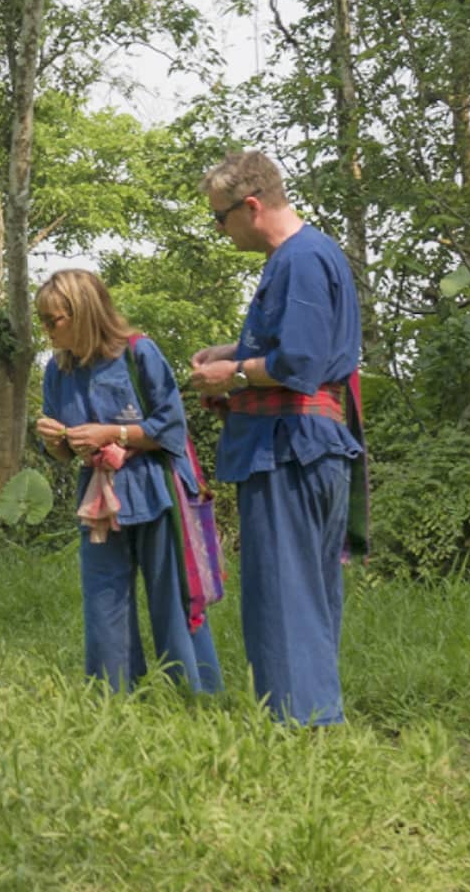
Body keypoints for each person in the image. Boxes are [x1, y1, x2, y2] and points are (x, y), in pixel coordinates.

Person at [191, 149, 364, 726]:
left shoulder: (301, 259)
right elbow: (290, 351)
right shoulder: (306, 256)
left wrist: (231, 375)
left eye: (221, 218)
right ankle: (310, 716)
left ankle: (304, 726)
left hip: (291, 446)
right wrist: (232, 355)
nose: (220, 230)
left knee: (285, 592)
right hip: (307, 443)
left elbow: (302, 361)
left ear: (252, 206)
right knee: (304, 591)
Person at [35, 269, 223, 696]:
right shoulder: (56, 371)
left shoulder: (138, 354)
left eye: (53, 319)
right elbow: (63, 454)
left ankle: (194, 696)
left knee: (172, 598)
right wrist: (55, 442)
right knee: (103, 601)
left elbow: (171, 429)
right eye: (42, 320)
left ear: (83, 313)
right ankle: (114, 698)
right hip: (98, 499)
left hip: (157, 491)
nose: (45, 329)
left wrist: (112, 433)